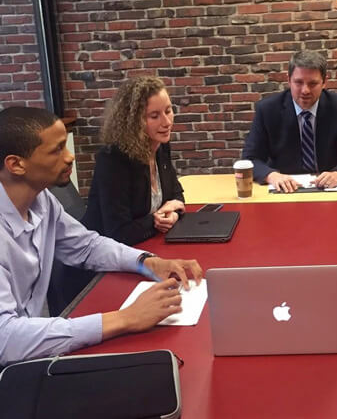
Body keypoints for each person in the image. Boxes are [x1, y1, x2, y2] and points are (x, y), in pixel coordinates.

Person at [0, 107, 202, 366]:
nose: (70, 156)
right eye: (57, 150)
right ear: (16, 164)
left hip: (27, 358)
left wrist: (149, 262)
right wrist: (126, 318)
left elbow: (86, 246)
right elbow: (6, 339)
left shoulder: (42, 202)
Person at [241, 50, 337, 193]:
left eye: (313, 83)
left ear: (324, 82)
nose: (305, 90)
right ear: (288, 80)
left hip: (331, 190)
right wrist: (271, 176)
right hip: (285, 191)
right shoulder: (267, 110)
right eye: (298, 82)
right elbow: (250, 159)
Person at [82, 76, 184, 245]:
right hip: (101, 258)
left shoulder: (160, 145)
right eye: (154, 116)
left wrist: (173, 214)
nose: (166, 122)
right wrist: (155, 221)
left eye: (168, 111)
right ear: (133, 121)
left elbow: (176, 195)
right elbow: (119, 232)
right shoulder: (113, 160)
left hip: (144, 247)